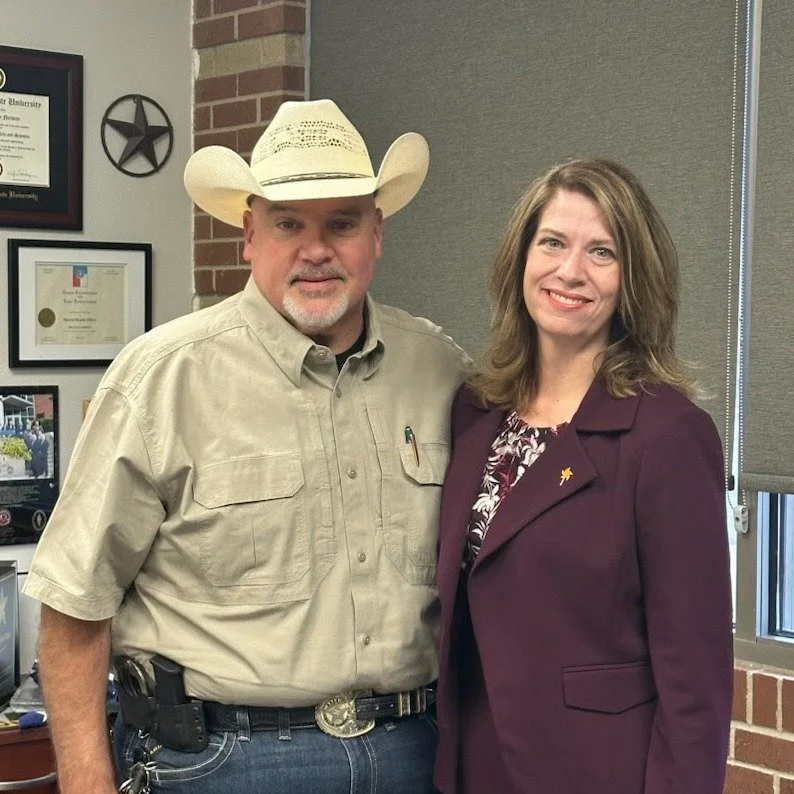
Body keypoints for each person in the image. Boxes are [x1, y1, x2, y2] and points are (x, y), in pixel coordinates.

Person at [24, 99, 468, 794]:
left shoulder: (442, 371)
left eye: (342, 223)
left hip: (415, 751)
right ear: (248, 236)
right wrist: (85, 781)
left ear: (377, 233)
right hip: (226, 762)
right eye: (289, 223)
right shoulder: (160, 381)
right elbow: (74, 603)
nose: (316, 249)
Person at [433, 159, 733, 793]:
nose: (570, 271)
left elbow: (696, 684)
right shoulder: (476, 413)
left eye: (602, 251)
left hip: (594, 774)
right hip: (473, 767)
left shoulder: (667, 435)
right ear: (521, 259)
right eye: (553, 243)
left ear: (633, 280)